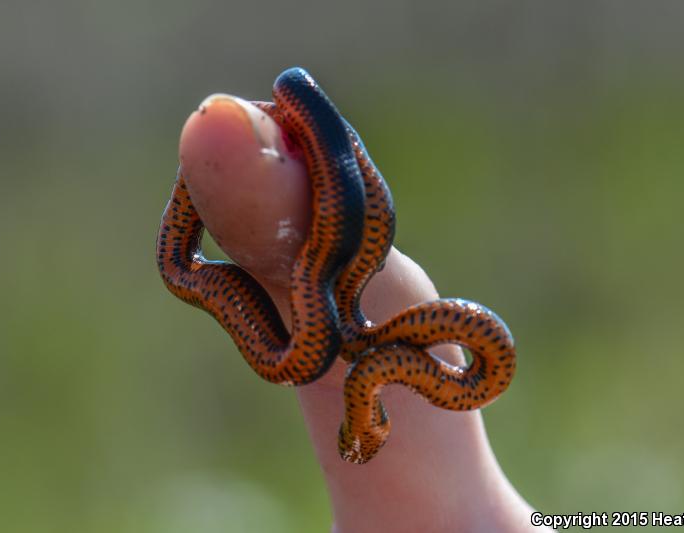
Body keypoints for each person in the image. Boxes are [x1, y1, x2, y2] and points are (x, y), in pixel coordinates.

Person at [177, 94, 550, 533]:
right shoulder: (365, 352)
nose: (356, 447)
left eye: (351, 440)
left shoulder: (361, 352)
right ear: (377, 418)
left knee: (183, 272)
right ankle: (302, 116)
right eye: (361, 442)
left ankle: (303, 115)